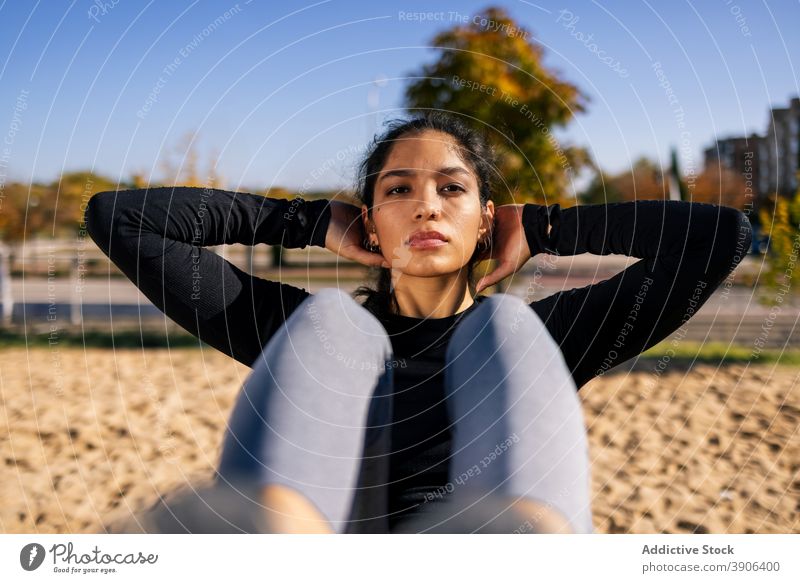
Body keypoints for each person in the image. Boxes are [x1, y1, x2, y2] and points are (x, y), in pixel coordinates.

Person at [85, 111, 752, 534]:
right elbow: (120, 218)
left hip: (488, 525)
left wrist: (548, 226)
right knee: (332, 321)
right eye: (398, 189)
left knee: (505, 327)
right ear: (369, 220)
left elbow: (720, 238)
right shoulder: (299, 333)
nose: (426, 207)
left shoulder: (540, 342)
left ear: (487, 219)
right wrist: (305, 220)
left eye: (452, 188)